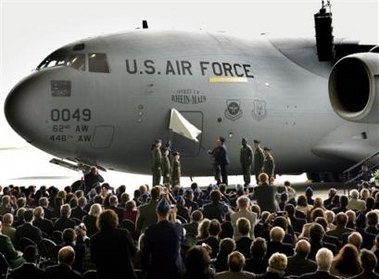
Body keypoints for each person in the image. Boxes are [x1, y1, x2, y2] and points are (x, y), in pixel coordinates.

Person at [142, 198, 184, 279]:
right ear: (169, 212)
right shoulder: (178, 228)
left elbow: (146, 255)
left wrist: (144, 272)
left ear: (156, 212)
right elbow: (179, 242)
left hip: (156, 271)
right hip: (175, 270)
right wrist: (174, 218)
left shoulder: (150, 230)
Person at [90, 209, 137, 279]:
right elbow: (133, 251)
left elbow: (94, 259)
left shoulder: (94, 238)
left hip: (105, 274)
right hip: (125, 273)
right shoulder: (124, 233)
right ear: (115, 220)